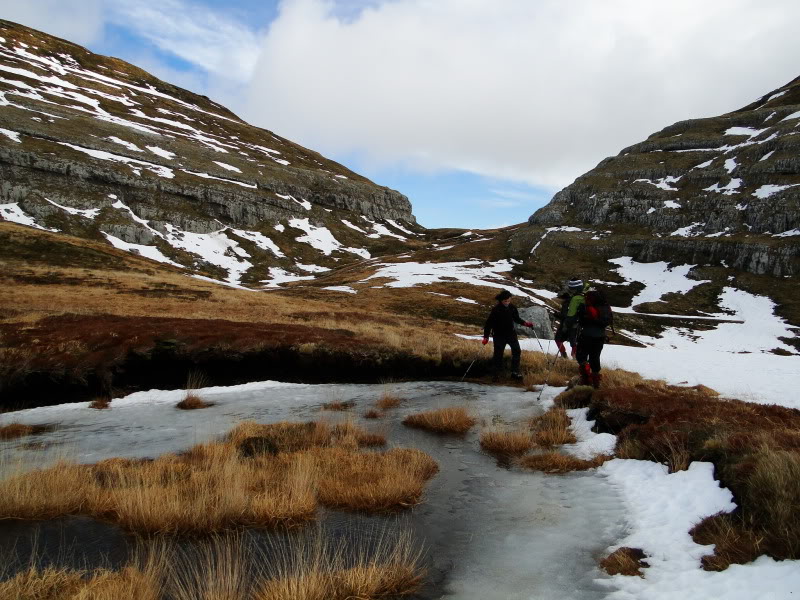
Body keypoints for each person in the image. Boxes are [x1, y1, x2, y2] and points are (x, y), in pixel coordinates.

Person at [482, 290, 534, 380]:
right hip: (499, 335)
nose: (507, 303)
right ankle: (496, 374)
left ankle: (515, 372)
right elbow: (488, 324)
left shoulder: (512, 308)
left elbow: (516, 319)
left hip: (511, 334)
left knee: (517, 351)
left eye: (509, 301)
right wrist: (486, 337)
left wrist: (525, 323)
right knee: (498, 354)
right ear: (501, 300)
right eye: (505, 301)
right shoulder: (496, 309)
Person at [575, 289, 615, 388]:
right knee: (595, 358)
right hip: (600, 337)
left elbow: (581, 322)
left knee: (581, 357)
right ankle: (596, 384)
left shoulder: (587, 307)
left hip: (586, 335)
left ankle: (585, 379)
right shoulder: (605, 307)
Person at [562, 277, 588, 358]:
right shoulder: (588, 292)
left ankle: (575, 358)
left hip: (577, 324)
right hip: (588, 325)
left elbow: (571, 316)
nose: (570, 291)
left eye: (571, 289)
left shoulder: (575, 298)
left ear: (575, 289)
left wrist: (565, 325)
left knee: (574, 341)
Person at [553, 292, 572, 358]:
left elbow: (564, 316)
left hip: (564, 325)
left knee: (558, 339)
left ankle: (563, 355)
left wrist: (556, 314)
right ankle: (574, 356)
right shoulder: (571, 303)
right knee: (573, 342)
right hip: (571, 325)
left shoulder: (566, 304)